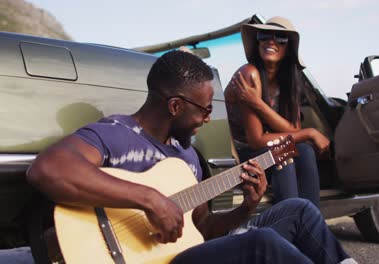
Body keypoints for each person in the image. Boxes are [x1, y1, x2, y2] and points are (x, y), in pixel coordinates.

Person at [26, 50, 355, 263]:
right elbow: (48, 169)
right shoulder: (115, 133)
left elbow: (204, 229)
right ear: (175, 106)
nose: (209, 119)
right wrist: (150, 200)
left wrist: (246, 208)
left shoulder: (186, 157)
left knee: (300, 211)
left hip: (185, 254)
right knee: (263, 244)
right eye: (206, 110)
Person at [225, 16, 329, 207]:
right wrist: (310, 133)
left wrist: (257, 104)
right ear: (257, 41)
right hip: (240, 155)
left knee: (305, 151)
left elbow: (295, 130)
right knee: (285, 154)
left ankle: (311, 223)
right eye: (264, 35)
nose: (271, 41)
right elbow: (255, 140)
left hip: (269, 150)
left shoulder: (289, 83)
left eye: (280, 37)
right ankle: (292, 222)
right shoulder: (249, 74)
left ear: (288, 48)